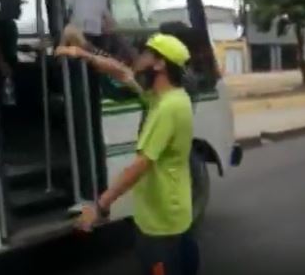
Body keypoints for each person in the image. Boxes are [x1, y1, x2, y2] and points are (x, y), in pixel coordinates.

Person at [57, 30, 199, 275]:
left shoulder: (167, 108)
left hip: (161, 225)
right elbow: (121, 72)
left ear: (160, 64)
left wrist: (99, 207)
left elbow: (138, 167)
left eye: (145, 54)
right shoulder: (163, 97)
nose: (138, 59)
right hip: (168, 218)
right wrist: (83, 54)